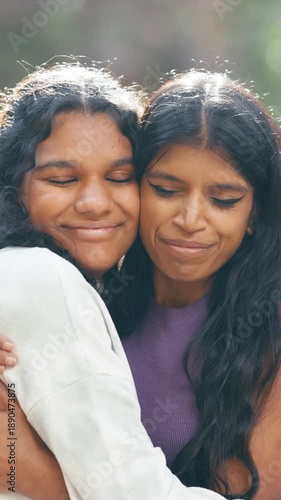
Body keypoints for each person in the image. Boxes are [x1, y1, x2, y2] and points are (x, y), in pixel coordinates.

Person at [0, 63, 226, 500]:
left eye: (120, 178)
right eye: (62, 179)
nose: (95, 203)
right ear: (13, 187)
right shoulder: (41, 277)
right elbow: (129, 491)